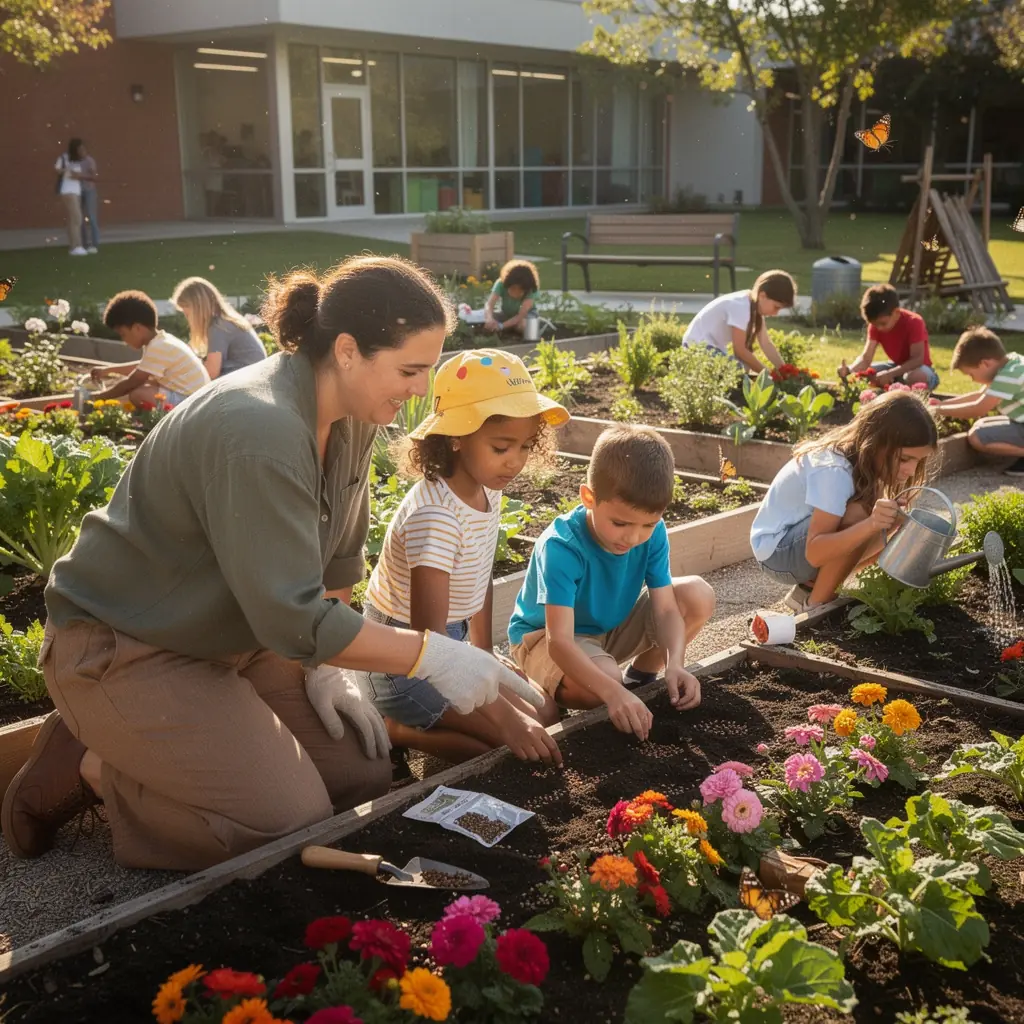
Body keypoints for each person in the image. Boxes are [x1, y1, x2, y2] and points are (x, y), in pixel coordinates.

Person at [1, 256, 542, 872]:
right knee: (287, 828)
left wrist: (328, 671)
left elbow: (338, 560)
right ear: (345, 350)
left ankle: (154, 744)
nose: (421, 389)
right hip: (127, 646)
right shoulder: (258, 428)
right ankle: (94, 763)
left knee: (360, 776)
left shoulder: (350, 416)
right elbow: (292, 620)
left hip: (235, 639)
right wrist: (432, 654)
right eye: (410, 369)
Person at [358, 348, 565, 768]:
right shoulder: (434, 517)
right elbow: (429, 644)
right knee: (507, 748)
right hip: (403, 665)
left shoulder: (488, 487)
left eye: (525, 446)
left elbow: (479, 574)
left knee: (546, 715)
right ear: (456, 436)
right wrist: (506, 721)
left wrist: (484, 650)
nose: (516, 461)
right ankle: (393, 728)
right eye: (502, 446)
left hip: (449, 645)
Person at [508, 425, 716, 742]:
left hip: (609, 629)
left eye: (647, 524)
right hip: (546, 639)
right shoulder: (562, 546)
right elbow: (559, 642)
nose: (632, 537)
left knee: (697, 594)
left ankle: (640, 679)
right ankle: (557, 686)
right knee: (605, 680)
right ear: (589, 497)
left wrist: (676, 663)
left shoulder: (652, 533)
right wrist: (611, 693)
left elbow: (666, 609)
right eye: (620, 523)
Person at [750, 390, 938, 612]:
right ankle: (814, 606)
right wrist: (871, 525)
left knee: (877, 519)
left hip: (801, 550)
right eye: (905, 459)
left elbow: (858, 548)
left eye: (919, 461)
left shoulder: (867, 465)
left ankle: (808, 591)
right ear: (876, 442)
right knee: (861, 515)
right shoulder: (834, 471)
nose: (911, 470)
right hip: (776, 553)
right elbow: (815, 552)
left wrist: (893, 524)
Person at [88, 290, 211, 408]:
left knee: (138, 394)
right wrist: (108, 370)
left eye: (123, 334)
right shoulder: (161, 341)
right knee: (146, 384)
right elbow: (143, 368)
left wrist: (98, 398)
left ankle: (160, 420)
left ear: (137, 328)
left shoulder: (158, 347)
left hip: (193, 403)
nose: (124, 340)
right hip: (195, 397)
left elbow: (133, 381)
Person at [934, 327, 1024, 477]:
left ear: (985, 364)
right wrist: (941, 404)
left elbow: (978, 408)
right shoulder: (1012, 364)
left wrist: (938, 410)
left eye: (971, 374)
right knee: (981, 426)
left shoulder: (1008, 377)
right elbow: (978, 396)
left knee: (976, 437)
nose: (972, 379)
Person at [681, 270, 795, 373]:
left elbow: (766, 344)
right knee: (738, 371)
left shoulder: (754, 306)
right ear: (762, 295)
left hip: (712, 348)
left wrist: (785, 372)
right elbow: (740, 350)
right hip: (697, 347)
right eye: (776, 307)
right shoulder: (741, 307)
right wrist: (768, 375)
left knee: (744, 369)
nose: (775, 313)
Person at [838, 283, 939, 391]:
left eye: (883, 323)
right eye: (875, 324)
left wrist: (890, 374)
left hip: (920, 370)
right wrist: (850, 370)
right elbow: (865, 358)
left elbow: (917, 360)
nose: (879, 328)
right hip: (895, 368)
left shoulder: (914, 322)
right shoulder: (875, 325)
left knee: (915, 377)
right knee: (864, 374)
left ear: (896, 312)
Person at [171, 276, 267, 379]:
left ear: (198, 310)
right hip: (254, 375)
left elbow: (211, 373)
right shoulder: (224, 321)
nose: (188, 320)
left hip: (248, 378)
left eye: (188, 315)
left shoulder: (218, 327)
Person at [483, 259, 540, 335]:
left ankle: (510, 329)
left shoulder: (531, 289)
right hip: (506, 314)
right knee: (484, 318)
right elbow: (489, 305)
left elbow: (521, 315)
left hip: (526, 316)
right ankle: (509, 327)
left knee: (523, 326)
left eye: (520, 290)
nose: (516, 292)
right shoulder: (500, 283)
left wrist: (501, 326)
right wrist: (489, 319)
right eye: (513, 288)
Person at [55, 138, 86, 256]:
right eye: (80, 148)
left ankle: (75, 246)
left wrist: (78, 175)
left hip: (76, 190)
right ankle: (76, 246)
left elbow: (79, 174)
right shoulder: (64, 157)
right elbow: (57, 169)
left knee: (73, 219)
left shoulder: (78, 160)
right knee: (77, 217)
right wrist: (68, 171)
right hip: (67, 190)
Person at [79, 142, 100, 254]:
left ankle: (94, 243)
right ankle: (84, 243)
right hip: (78, 192)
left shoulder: (89, 161)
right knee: (80, 218)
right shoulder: (75, 162)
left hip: (89, 191)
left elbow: (94, 177)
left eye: (82, 150)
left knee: (91, 217)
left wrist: (80, 176)